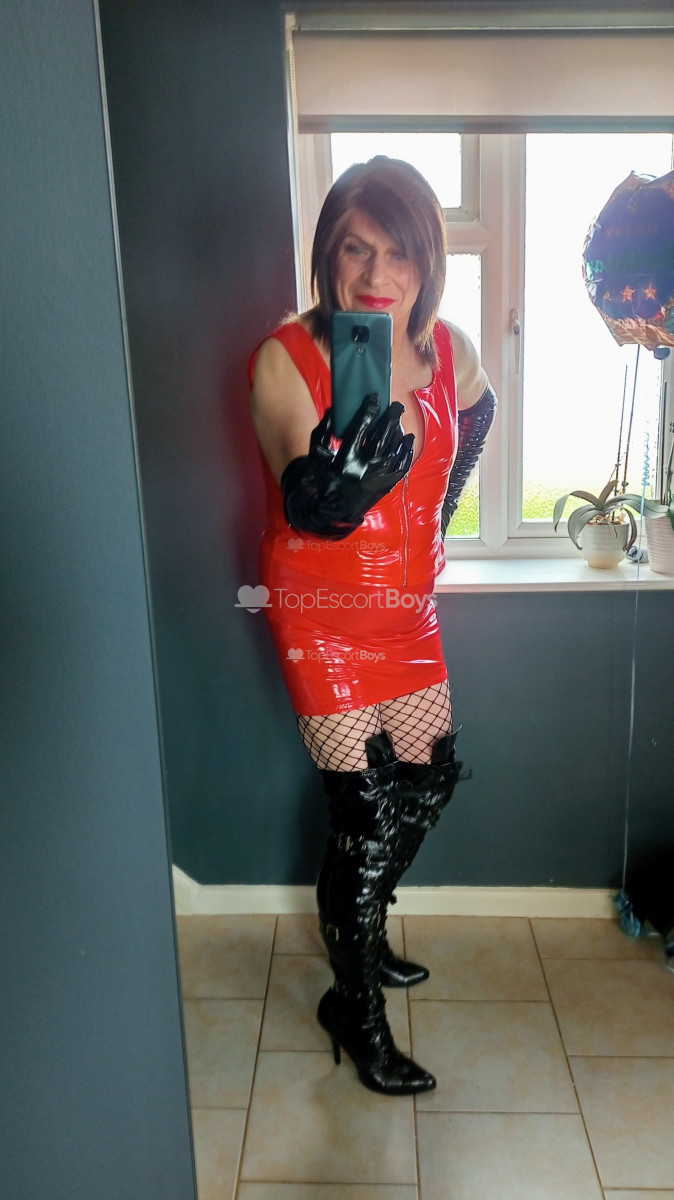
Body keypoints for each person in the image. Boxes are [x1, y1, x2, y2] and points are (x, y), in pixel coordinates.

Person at [248, 156, 496, 1096]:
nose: (377, 274)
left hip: (407, 613)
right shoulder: (289, 356)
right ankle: (352, 1009)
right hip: (320, 612)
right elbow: (300, 488)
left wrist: (440, 511)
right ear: (328, 255)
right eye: (355, 249)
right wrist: (336, 492)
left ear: (429, 261)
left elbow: (481, 412)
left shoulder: (448, 351)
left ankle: (362, 928)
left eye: (399, 252)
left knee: (426, 783)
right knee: (363, 815)